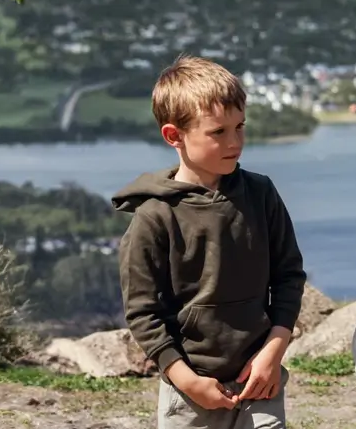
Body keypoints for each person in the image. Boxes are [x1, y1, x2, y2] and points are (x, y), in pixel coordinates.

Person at [114, 55, 308, 429]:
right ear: (174, 136)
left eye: (240, 127)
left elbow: (288, 277)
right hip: (190, 391)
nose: (235, 142)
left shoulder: (261, 194)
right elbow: (142, 312)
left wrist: (273, 352)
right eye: (218, 132)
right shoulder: (154, 216)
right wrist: (186, 380)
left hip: (261, 381)